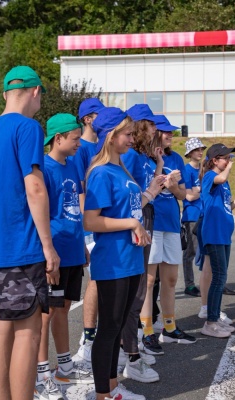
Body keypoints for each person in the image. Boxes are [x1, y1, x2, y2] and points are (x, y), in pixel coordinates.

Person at [0, 65, 60, 400]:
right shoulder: (28, 127)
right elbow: (35, 188)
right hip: (23, 244)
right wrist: (48, 246)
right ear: (35, 91)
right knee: (28, 333)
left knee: (3, 329)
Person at [83, 107, 164, 400]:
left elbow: (130, 206)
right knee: (108, 329)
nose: (132, 138)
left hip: (130, 260)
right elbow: (91, 221)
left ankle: (112, 388)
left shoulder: (120, 170)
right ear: (110, 136)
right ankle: (102, 394)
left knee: (116, 328)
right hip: (113, 261)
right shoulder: (101, 172)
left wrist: (151, 191)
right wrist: (132, 223)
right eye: (127, 134)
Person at [36, 114, 92, 400]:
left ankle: (64, 366)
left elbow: (74, 210)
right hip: (55, 252)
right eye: (75, 138)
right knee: (45, 313)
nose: (79, 144)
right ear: (58, 138)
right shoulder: (44, 168)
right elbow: (40, 214)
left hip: (72, 249)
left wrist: (82, 243)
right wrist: (48, 253)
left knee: (64, 308)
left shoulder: (71, 165)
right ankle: (41, 373)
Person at [141, 114, 196, 348]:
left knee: (171, 278)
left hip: (172, 223)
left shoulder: (176, 159)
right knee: (149, 279)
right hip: (151, 223)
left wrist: (173, 187)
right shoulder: (143, 157)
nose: (171, 135)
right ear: (155, 133)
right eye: (166, 131)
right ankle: (146, 331)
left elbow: (183, 195)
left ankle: (170, 328)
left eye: (172, 132)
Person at [118, 104, 164, 381]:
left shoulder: (143, 156)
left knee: (138, 288)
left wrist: (159, 165)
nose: (155, 130)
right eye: (152, 124)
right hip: (137, 218)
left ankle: (131, 349)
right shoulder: (131, 157)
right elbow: (131, 198)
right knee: (133, 290)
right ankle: (129, 353)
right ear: (140, 125)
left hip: (146, 215)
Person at [199, 143, 235, 338]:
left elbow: (228, 207)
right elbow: (221, 178)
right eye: (225, 158)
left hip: (224, 235)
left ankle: (215, 317)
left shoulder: (223, 183)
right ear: (214, 160)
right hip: (214, 234)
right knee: (218, 277)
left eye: (229, 158)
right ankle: (210, 322)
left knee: (221, 277)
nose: (229, 161)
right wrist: (228, 168)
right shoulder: (210, 176)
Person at [71, 98, 105, 365]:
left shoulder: (103, 144)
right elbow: (80, 190)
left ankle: (105, 334)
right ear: (87, 119)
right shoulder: (80, 148)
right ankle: (88, 337)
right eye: (98, 114)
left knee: (107, 279)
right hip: (91, 224)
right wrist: (88, 226)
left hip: (106, 220)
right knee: (95, 279)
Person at [181, 138, 207, 297]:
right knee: (190, 252)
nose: (200, 152)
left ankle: (210, 282)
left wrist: (197, 189)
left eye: (201, 149)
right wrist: (201, 189)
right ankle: (189, 285)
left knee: (207, 251)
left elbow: (200, 191)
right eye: (197, 149)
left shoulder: (203, 170)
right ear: (189, 153)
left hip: (204, 214)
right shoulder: (186, 170)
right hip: (191, 216)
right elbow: (189, 196)